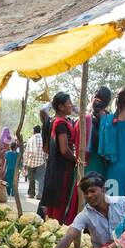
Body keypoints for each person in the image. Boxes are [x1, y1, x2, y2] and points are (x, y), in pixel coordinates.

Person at [34, 174, 125, 248]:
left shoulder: (122, 203)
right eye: (86, 193)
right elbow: (69, 235)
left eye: (92, 191)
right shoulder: (85, 214)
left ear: (103, 189)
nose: (89, 196)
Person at [38, 91, 79, 223]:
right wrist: (77, 160)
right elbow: (64, 149)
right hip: (63, 169)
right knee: (61, 201)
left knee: (55, 202)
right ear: (61, 107)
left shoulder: (53, 121)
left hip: (55, 168)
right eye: (69, 103)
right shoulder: (61, 123)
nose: (71, 106)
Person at [84, 86, 113, 177]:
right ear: (107, 102)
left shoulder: (84, 118)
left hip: (87, 161)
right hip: (101, 163)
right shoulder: (110, 119)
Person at [23, 111, 48, 200]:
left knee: (31, 179)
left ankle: (31, 194)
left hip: (31, 162)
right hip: (41, 161)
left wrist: (25, 163)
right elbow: (46, 150)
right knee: (40, 179)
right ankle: (39, 195)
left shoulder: (30, 139)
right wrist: (45, 159)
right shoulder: (43, 138)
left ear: (34, 131)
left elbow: (26, 152)